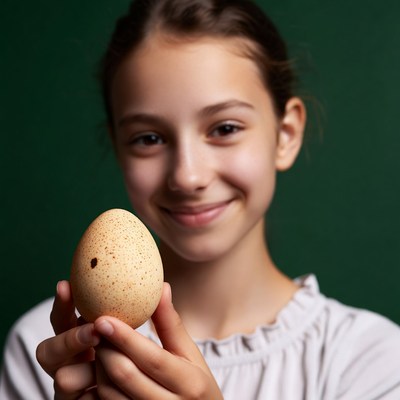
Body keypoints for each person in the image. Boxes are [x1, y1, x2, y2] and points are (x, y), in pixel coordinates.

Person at [1, 0, 400, 398]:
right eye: (149, 138)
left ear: (287, 134)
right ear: (118, 148)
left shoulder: (367, 361)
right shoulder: (49, 353)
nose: (187, 176)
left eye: (225, 128)